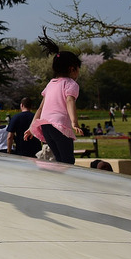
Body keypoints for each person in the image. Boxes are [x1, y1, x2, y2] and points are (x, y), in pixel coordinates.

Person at [24, 29, 82, 164]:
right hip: (59, 125)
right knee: (68, 160)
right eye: (78, 69)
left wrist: (32, 127)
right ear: (72, 69)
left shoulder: (51, 84)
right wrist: (74, 122)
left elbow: (40, 108)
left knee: (60, 160)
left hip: (45, 126)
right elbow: (69, 101)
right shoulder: (71, 84)